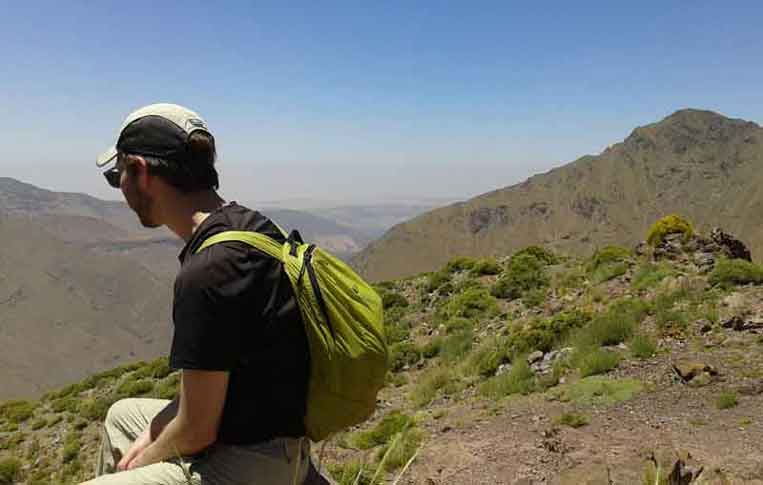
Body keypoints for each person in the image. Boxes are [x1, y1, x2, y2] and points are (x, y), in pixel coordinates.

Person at [83, 103, 331, 485]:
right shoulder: (250, 227)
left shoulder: (209, 271)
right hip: (281, 444)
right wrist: (153, 433)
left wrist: (141, 461)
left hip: (250, 463)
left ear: (141, 172)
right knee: (122, 416)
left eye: (118, 176)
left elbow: (197, 431)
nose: (121, 190)